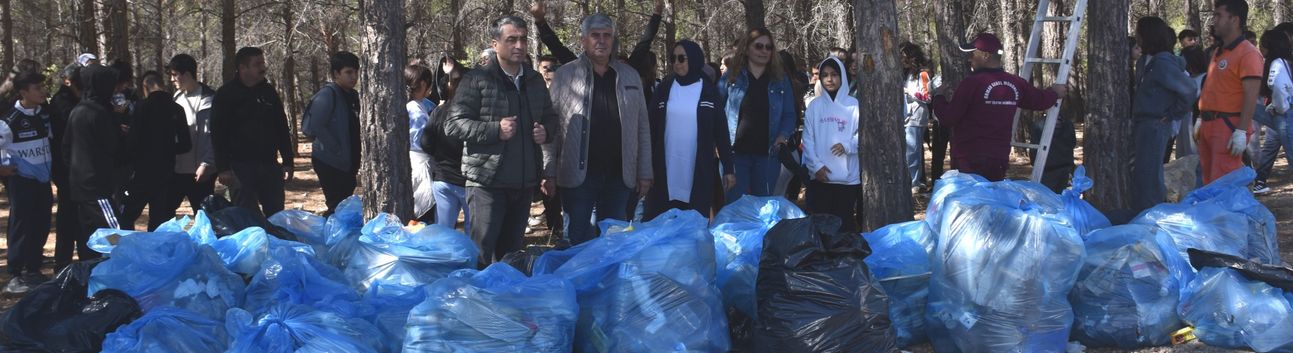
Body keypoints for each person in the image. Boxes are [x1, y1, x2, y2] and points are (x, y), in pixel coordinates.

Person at [446, 16, 555, 266]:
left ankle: (504, 304)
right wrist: (495, 130)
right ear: (495, 44)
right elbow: (453, 124)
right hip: (487, 184)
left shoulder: (535, 80)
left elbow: (550, 117)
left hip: (524, 183)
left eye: (523, 39)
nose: (519, 45)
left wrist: (546, 132)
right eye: (511, 40)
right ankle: (476, 302)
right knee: (481, 256)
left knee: (512, 257)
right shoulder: (477, 79)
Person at [545, 14, 652, 245]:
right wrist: (548, 171)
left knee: (613, 240)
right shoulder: (565, 75)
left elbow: (643, 126)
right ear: (583, 40)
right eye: (595, 36)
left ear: (613, 40)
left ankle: (606, 281)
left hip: (620, 175)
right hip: (578, 175)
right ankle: (576, 281)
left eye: (607, 36)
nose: (601, 41)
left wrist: (645, 171)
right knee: (577, 239)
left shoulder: (629, 76)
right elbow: (551, 126)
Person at [931, 33, 1066, 181]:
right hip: (998, 158)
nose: (969, 59)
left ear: (985, 55)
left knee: (972, 202)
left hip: (969, 157)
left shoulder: (971, 84)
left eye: (972, 54)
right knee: (991, 200)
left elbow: (948, 117)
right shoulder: (1015, 83)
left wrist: (938, 98)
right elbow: (1040, 101)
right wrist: (1054, 93)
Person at [642, 40, 733, 220]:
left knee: (693, 225)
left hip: (696, 169)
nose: (677, 63)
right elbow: (649, 128)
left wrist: (729, 168)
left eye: (682, 58)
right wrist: (645, 167)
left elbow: (721, 131)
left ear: (694, 59)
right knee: (661, 223)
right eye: (673, 58)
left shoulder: (708, 90)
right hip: (665, 170)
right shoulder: (665, 88)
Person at [211, 47, 294, 217]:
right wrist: (223, 168)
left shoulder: (269, 92)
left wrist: (288, 161)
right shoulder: (226, 94)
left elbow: (281, 127)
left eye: (263, 63)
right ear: (243, 68)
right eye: (257, 64)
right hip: (240, 168)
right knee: (246, 217)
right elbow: (218, 134)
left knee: (276, 216)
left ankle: (276, 243)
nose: (263, 67)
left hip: (270, 165)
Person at [1129, 17, 1199, 214]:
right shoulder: (1145, 61)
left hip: (1155, 124)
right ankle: (1144, 211)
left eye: (1139, 33)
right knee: (1142, 172)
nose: (1137, 37)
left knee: (1150, 174)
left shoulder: (1163, 62)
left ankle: (1151, 216)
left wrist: (1173, 113)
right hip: (1142, 123)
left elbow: (1189, 90)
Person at [719, 27, 797, 203]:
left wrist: (782, 136)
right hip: (734, 155)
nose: (764, 51)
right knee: (734, 208)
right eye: (759, 46)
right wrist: (717, 142)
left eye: (768, 47)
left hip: (767, 156)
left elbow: (790, 114)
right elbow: (716, 111)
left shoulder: (780, 79)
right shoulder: (731, 77)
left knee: (763, 210)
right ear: (746, 49)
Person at [1196, 0, 1260, 185]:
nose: (1213, 20)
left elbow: (1251, 94)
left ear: (1234, 19)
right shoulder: (1218, 51)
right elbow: (1212, 86)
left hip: (1228, 124)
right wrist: (1202, 116)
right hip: (1210, 124)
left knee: (1223, 182)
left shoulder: (1247, 53)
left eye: (1218, 15)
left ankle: (1227, 214)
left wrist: (1240, 131)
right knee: (1208, 181)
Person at [119, 71, 192, 230]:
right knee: (160, 218)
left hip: (142, 171)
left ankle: (129, 248)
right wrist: (167, 149)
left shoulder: (142, 107)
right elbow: (186, 144)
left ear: (145, 88)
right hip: (167, 172)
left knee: (127, 215)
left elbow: (133, 141)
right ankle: (157, 251)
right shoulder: (177, 109)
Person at [1, 72, 53, 293]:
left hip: (43, 182)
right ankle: (14, 275)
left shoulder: (43, 115)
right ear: (23, 92)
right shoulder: (9, 121)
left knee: (41, 223)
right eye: (37, 88)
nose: (42, 91)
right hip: (22, 182)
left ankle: (33, 270)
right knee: (21, 225)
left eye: (43, 87)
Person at [64, 63, 119, 266]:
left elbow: (66, 148)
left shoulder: (77, 110)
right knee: (115, 234)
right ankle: (117, 273)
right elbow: (113, 147)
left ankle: (90, 276)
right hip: (97, 187)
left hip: (80, 185)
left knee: (89, 235)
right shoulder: (99, 113)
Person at [803, 56, 861, 232]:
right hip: (821, 177)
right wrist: (816, 167)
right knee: (823, 223)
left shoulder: (853, 104)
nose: (829, 79)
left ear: (842, 76)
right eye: (825, 75)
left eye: (834, 74)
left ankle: (845, 257)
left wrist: (848, 146)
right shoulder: (814, 106)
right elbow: (807, 139)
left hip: (848, 178)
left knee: (845, 222)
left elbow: (862, 135)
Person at [302, 51, 360, 216]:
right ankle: (333, 238)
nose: (353, 76)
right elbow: (315, 126)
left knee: (344, 206)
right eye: (348, 72)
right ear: (336, 74)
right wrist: (336, 148)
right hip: (330, 162)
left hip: (347, 163)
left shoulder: (352, 96)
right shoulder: (328, 95)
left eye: (356, 72)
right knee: (336, 207)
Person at [167, 54, 217, 216]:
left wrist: (206, 164)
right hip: (177, 171)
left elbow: (213, 136)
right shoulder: (176, 98)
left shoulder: (208, 99)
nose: (172, 79)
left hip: (200, 173)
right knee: (165, 211)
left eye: (175, 75)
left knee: (204, 217)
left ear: (187, 74)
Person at [423, 64, 470, 233]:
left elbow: (426, 143)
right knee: (472, 231)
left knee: (443, 231)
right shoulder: (475, 112)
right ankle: (472, 259)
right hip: (466, 181)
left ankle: (443, 258)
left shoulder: (439, 111)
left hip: (444, 178)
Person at [49, 65, 84, 270]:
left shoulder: (76, 100)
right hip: (65, 168)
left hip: (75, 167)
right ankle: (62, 262)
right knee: (67, 217)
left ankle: (80, 257)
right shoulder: (61, 101)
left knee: (78, 216)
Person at [1254, 30, 1293, 194]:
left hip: (1284, 114)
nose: (1260, 48)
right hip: (1282, 112)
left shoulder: (1276, 63)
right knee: (1271, 146)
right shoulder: (1283, 61)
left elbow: (1278, 88)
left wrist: (1279, 107)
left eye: (1262, 44)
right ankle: (1259, 182)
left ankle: (1259, 181)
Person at [405, 64, 437, 222]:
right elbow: (421, 141)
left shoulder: (418, 105)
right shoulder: (415, 110)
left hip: (417, 161)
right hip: (420, 163)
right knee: (424, 207)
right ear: (423, 84)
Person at [900, 42, 934, 193]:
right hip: (903, 116)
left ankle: (914, 183)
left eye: (904, 57)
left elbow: (927, 97)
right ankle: (911, 181)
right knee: (908, 150)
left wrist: (909, 92)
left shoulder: (923, 74)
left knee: (912, 151)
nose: (901, 60)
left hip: (916, 116)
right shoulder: (902, 73)